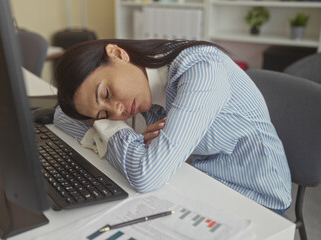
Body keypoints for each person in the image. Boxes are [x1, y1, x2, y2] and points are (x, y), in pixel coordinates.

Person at [53, 39, 291, 215]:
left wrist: (110, 131)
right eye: (103, 114)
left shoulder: (202, 71)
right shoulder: (141, 77)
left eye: (106, 93)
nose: (117, 111)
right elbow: (61, 117)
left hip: (253, 197)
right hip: (195, 179)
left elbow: (148, 176)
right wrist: (115, 135)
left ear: (117, 53)